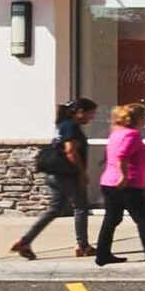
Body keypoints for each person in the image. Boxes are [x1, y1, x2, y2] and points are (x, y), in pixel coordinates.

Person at [11, 98, 97, 260]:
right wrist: (81, 173)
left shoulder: (63, 126)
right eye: (90, 113)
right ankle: (83, 245)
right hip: (67, 175)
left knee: (55, 209)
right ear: (80, 112)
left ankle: (25, 241)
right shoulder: (70, 126)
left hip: (54, 174)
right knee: (80, 207)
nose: (91, 117)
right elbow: (70, 150)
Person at [94, 103, 145, 266]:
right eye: (144, 117)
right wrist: (123, 176)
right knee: (143, 219)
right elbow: (122, 156)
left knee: (111, 219)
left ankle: (102, 254)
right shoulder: (132, 135)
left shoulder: (116, 132)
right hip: (128, 184)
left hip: (109, 182)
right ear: (137, 119)